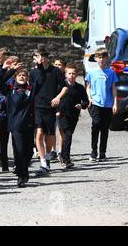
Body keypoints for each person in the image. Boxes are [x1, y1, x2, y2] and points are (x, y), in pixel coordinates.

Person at [4, 62, 43, 188]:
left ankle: (23, 170)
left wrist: (40, 66)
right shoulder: (10, 89)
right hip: (15, 126)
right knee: (19, 151)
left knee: (28, 152)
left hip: (28, 125)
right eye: (19, 75)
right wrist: (9, 70)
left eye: (24, 75)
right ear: (15, 77)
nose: (22, 77)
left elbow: (41, 80)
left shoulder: (30, 89)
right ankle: (21, 176)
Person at [30, 48, 67, 176]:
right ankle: (43, 163)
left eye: (40, 56)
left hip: (51, 107)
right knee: (39, 133)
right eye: (37, 57)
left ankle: (47, 157)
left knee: (50, 135)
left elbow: (64, 86)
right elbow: (31, 89)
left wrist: (58, 97)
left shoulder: (55, 71)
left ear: (45, 57)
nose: (39, 59)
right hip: (38, 106)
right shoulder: (34, 72)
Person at [85, 47, 118, 162]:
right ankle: (94, 151)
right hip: (96, 103)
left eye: (103, 57)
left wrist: (115, 103)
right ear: (95, 58)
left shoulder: (111, 72)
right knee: (96, 124)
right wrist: (89, 98)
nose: (101, 60)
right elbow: (88, 87)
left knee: (104, 129)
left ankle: (102, 152)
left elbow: (114, 89)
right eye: (99, 57)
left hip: (108, 104)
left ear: (107, 58)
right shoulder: (91, 72)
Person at [57, 64, 89, 168]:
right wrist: (56, 110)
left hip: (74, 115)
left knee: (68, 136)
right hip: (62, 114)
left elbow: (86, 101)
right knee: (68, 135)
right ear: (65, 74)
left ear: (76, 74)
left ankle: (62, 155)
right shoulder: (60, 86)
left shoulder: (79, 87)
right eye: (69, 73)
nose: (71, 75)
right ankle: (66, 159)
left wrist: (82, 105)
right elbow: (54, 99)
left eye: (73, 73)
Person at [53, 57, 67, 162]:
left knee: (61, 130)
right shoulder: (51, 77)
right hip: (52, 106)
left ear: (64, 67)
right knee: (51, 130)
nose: (57, 66)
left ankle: (60, 151)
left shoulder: (66, 79)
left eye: (60, 65)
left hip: (62, 107)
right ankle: (53, 150)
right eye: (56, 64)